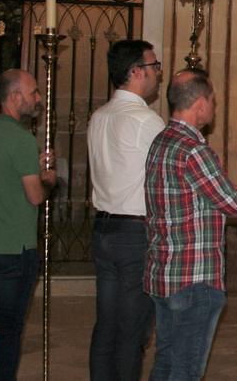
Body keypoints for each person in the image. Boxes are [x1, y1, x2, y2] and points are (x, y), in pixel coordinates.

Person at [144, 69, 237, 380]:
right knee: (186, 372)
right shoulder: (195, 149)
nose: (215, 106)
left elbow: (212, 195)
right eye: (213, 100)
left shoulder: (163, 142)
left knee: (165, 363)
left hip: (166, 274)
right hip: (195, 280)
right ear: (199, 105)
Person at [0, 69, 56, 381]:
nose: (38, 99)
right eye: (33, 93)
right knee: (9, 328)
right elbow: (34, 196)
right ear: (15, 97)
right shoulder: (21, 139)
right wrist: (48, 179)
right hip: (15, 248)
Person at [87, 40, 165, 381]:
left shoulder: (99, 116)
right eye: (154, 65)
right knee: (132, 333)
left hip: (103, 232)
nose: (158, 73)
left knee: (107, 327)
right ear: (136, 72)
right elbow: (168, 176)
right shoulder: (145, 121)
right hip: (134, 235)